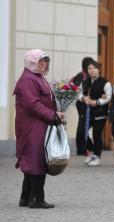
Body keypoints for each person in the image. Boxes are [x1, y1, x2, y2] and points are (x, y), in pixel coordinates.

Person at [14, 49, 64, 209]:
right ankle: (36, 199)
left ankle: (25, 197)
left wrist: (56, 112)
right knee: (36, 159)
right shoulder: (28, 79)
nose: (44, 64)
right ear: (32, 63)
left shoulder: (36, 77)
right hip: (31, 125)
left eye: (46, 61)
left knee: (32, 158)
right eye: (41, 61)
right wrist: (52, 115)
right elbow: (32, 104)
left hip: (37, 124)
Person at [78, 61, 112, 166]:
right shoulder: (85, 82)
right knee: (82, 132)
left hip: (100, 113)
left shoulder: (105, 83)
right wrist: (83, 98)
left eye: (94, 68)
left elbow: (108, 96)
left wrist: (97, 102)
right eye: (90, 69)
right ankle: (92, 151)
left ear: (98, 70)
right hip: (87, 113)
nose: (92, 71)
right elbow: (78, 94)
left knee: (96, 135)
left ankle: (97, 156)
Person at [71, 57, 95, 155]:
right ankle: (83, 149)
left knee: (84, 126)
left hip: (88, 104)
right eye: (90, 66)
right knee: (82, 127)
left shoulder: (89, 76)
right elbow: (77, 91)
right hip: (82, 105)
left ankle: (86, 147)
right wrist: (83, 98)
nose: (92, 69)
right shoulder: (82, 76)